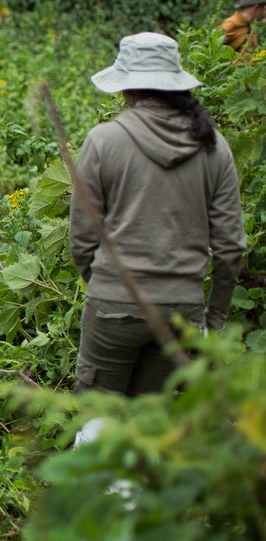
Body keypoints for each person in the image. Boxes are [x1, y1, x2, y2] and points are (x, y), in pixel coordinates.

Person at [70, 32, 246, 396]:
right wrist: (214, 318)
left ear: (128, 89)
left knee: (98, 422)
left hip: (115, 305)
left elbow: (82, 239)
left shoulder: (103, 141)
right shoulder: (214, 146)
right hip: (181, 310)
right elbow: (230, 248)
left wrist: (108, 290)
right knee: (150, 423)